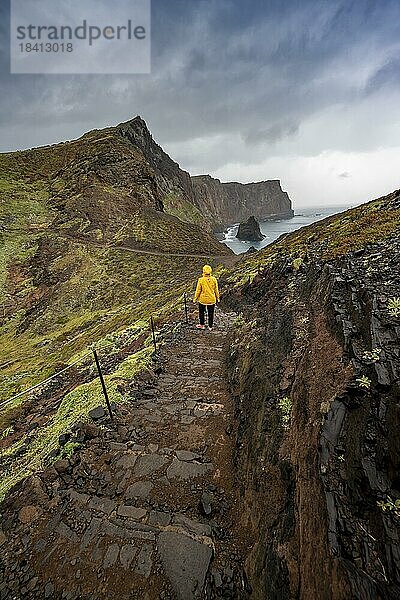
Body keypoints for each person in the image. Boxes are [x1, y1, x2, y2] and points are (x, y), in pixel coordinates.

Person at [193, 264, 220, 331]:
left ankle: (202, 325)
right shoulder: (214, 279)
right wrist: (218, 298)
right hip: (212, 299)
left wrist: (195, 298)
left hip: (203, 300)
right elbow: (216, 290)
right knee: (211, 313)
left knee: (201, 312)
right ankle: (210, 326)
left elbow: (198, 290)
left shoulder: (201, 280)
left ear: (203, 271)